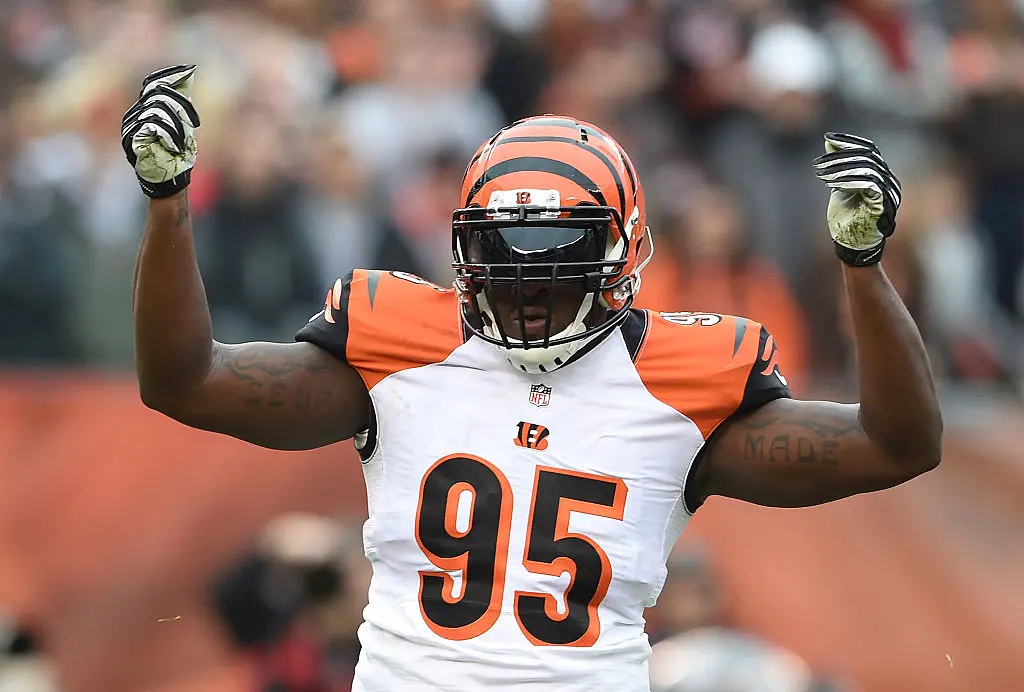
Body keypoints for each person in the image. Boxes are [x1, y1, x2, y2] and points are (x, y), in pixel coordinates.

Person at [121, 66, 942, 691]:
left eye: (554, 262)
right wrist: (169, 202)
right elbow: (184, 381)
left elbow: (896, 444)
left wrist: (864, 270)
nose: (523, 286)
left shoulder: (680, 383)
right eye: (499, 255)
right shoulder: (401, 348)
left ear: (621, 254)